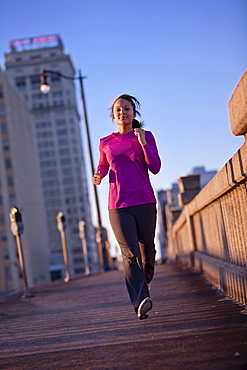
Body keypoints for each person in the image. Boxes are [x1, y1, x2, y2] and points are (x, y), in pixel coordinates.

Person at [93, 94, 161, 320]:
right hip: (118, 205)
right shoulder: (106, 142)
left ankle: (145, 276)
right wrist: (99, 175)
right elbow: (103, 165)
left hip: (144, 201)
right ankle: (141, 300)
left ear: (134, 113)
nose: (122, 112)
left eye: (127, 108)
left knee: (146, 252)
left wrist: (142, 142)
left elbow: (155, 167)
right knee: (130, 254)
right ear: (113, 115)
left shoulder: (145, 136)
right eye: (118, 110)